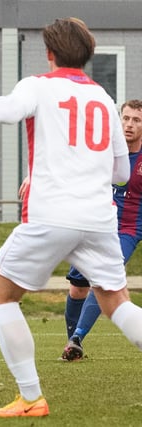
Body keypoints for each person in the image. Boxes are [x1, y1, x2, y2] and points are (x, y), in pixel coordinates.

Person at [0, 17, 142, 418]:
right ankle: (31, 398)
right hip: (101, 218)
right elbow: (120, 172)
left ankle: (31, 398)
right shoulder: (102, 96)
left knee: (0, 296)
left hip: (52, 214)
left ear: (49, 54)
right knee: (117, 302)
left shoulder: (38, 85)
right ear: (88, 55)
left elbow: (2, 112)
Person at [60, 99, 142, 361]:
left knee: (103, 279)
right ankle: (72, 343)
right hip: (97, 225)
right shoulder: (106, 149)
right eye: (126, 118)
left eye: (136, 120)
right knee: (77, 288)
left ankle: (77, 337)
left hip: (128, 230)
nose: (129, 125)